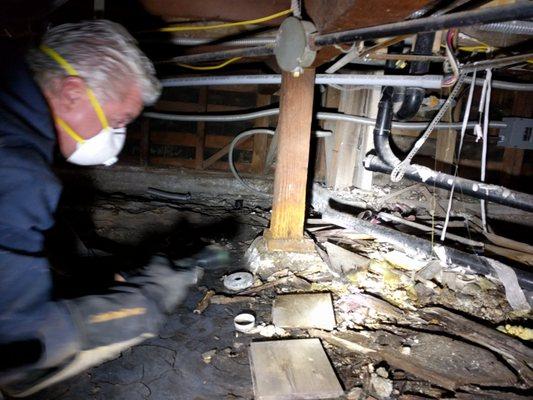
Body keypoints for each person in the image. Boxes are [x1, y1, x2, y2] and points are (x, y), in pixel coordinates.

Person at [0, 20, 199, 397]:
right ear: (73, 93)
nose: (116, 138)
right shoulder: (15, 168)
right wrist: (146, 301)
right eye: (119, 121)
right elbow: (21, 348)